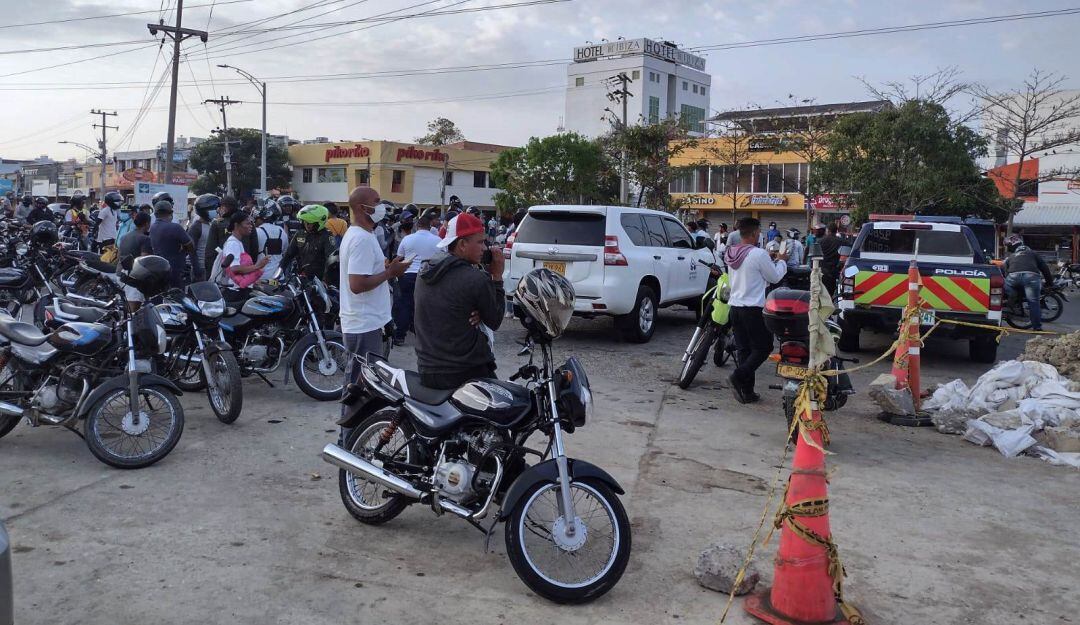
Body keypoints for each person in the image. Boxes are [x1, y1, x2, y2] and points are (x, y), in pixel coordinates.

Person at [414, 213, 506, 390]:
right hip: (464, 371)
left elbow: (449, 306)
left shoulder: (424, 271)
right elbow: (495, 321)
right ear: (462, 245)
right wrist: (497, 277)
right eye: (479, 242)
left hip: (427, 368)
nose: (485, 249)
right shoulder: (476, 280)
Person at [339, 186, 410, 415]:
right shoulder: (360, 239)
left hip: (367, 322)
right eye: (377, 202)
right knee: (358, 389)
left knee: (366, 387)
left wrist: (388, 267)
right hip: (363, 325)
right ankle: (347, 443)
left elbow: (367, 274)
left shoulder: (364, 235)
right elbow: (357, 284)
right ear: (362, 207)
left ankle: (353, 440)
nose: (382, 207)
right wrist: (390, 273)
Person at [724, 217, 788, 404]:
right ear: (753, 234)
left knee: (744, 349)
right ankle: (737, 376)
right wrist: (782, 261)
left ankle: (747, 391)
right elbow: (775, 277)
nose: (760, 235)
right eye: (759, 232)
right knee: (763, 347)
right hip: (752, 308)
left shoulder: (732, 252)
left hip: (735, 307)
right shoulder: (758, 254)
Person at [392, 210, 442, 346]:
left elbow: (400, 258)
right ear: (430, 225)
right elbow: (443, 257)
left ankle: (400, 336)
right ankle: (428, 337)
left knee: (406, 305)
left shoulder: (407, 239)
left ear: (417, 225)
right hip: (429, 277)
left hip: (408, 276)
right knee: (427, 307)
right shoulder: (438, 240)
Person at [1003, 235, 1054, 331]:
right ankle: (1037, 327)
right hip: (1032, 278)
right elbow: (1045, 268)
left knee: (1006, 285)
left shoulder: (1011, 257)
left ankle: (1010, 304)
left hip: (1013, 277)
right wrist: (1049, 283)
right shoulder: (1033, 253)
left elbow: (1006, 273)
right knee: (1034, 302)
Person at [149, 200, 202, 288]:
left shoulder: (153, 228)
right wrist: (183, 247)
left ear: (155, 214)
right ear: (171, 213)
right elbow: (191, 246)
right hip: (175, 271)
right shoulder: (175, 227)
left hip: (159, 271)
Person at [203, 195, 258, 278]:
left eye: (220, 207)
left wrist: (210, 274)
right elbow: (254, 248)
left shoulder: (217, 224)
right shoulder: (249, 223)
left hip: (223, 273)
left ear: (224, 208)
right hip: (244, 270)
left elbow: (210, 252)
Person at [279, 204, 335, 281]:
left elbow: (331, 260)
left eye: (310, 223)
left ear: (319, 222)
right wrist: (279, 271)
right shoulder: (300, 234)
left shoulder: (327, 236)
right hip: (301, 277)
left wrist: (326, 280)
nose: (307, 225)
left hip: (319, 280)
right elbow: (288, 254)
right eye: (305, 222)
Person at [217, 211, 269, 289]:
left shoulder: (237, 242)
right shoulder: (233, 244)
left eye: (251, 223)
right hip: (235, 290)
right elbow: (234, 268)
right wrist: (258, 266)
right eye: (247, 223)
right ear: (237, 225)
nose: (251, 226)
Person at [254, 203, 288, 280]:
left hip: (260, 277)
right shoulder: (281, 231)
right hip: (278, 277)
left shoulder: (257, 231)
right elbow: (285, 252)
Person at [188, 194, 219, 273]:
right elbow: (191, 251)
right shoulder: (196, 227)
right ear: (205, 211)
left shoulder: (212, 224)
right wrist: (197, 269)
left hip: (211, 267)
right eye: (214, 209)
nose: (217, 211)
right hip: (201, 269)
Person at [818, 222, 843, 297]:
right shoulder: (841, 241)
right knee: (831, 293)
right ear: (836, 231)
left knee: (821, 293)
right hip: (835, 271)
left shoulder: (820, 241)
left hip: (822, 270)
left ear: (828, 230)